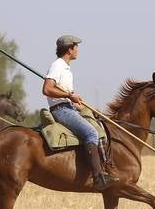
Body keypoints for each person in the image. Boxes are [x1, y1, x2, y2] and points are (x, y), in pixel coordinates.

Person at [42, 34, 117, 191]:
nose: (78, 50)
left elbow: (68, 97)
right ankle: (98, 177)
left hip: (68, 107)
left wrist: (84, 107)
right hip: (61, 110)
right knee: (91, 134)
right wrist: (69, 95)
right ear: (70, 49)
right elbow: (47, 89)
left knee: (97, 126)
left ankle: (104, 169)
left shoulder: (67, 69)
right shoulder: (58, 66)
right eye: (76, 47)